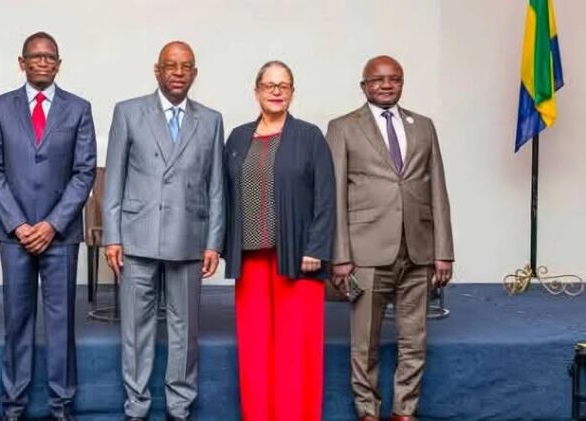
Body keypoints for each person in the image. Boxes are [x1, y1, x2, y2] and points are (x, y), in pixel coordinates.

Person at [102, 41, 224, 421]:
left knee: (184, 330)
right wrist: (112, 236)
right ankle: (136, 406)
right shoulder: (128, 112)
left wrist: (213, 242)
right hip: (137, 237)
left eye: (186, 66)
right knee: (135, 329)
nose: (178, 73)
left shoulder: (211, 120)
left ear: (195, 73)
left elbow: (216, 187)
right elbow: (113, 180)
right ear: (157, 70)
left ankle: (179, 406)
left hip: (189, 237)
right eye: (171, 66)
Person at [327, 55, 454, 421]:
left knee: (414, 340)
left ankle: (404, 412)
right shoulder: (343, 127)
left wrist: (443, 250)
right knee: (364, 343)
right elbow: (334, 195)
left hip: (418, 250)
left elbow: (438, 189)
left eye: (394, 78)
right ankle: (368, 412)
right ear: (363, 85)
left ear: (402, 82)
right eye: (378, 79)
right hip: (365, 252)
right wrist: (340, 255)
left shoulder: (423, 126)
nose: (386, 84)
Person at [0, 32, 96, 421]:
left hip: (59, 236)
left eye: (50, 57)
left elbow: (84, 172)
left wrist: (52, 224)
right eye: (36, 56)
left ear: (59, 65)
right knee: (16, 320)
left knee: (61, 324)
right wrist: (18, 224)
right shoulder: (0, 107)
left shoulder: (78, 109)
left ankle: (61, 405)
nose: (43, 62)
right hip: (14, 234)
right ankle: (13, 406)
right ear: (22, 62)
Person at [222, 60, 335, 421]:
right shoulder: (237, 138)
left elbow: (326, 197)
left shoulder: (309, 136)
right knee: (254, 348)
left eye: (283, 85)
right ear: (256, 91)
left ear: (292, 93)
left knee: (295, 349)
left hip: (298, 259)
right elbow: (224, 195)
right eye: (269, 85)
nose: (276, 91)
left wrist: (316, 248)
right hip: (250, 259)